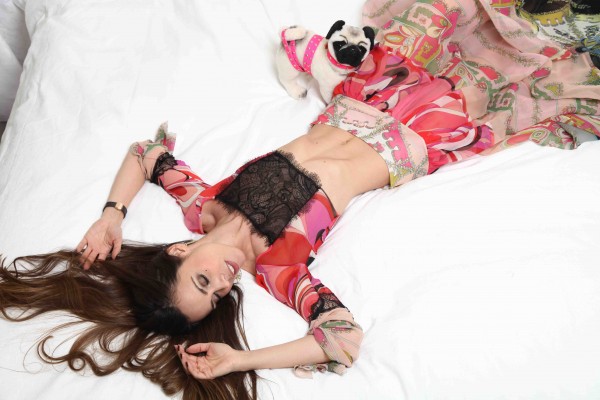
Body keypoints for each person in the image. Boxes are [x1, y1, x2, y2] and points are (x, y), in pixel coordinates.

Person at [1, 20, 597, 400]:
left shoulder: (200, 206)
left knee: (467, 17)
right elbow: (340, 339)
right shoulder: (278, 268)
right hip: (423, 134)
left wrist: (112, 215)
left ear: (181, 250)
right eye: (217, 296)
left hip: (373, 93)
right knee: (553, 59)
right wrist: (239, 359)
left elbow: (146, 153)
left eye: (203, 280)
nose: (224, 282)